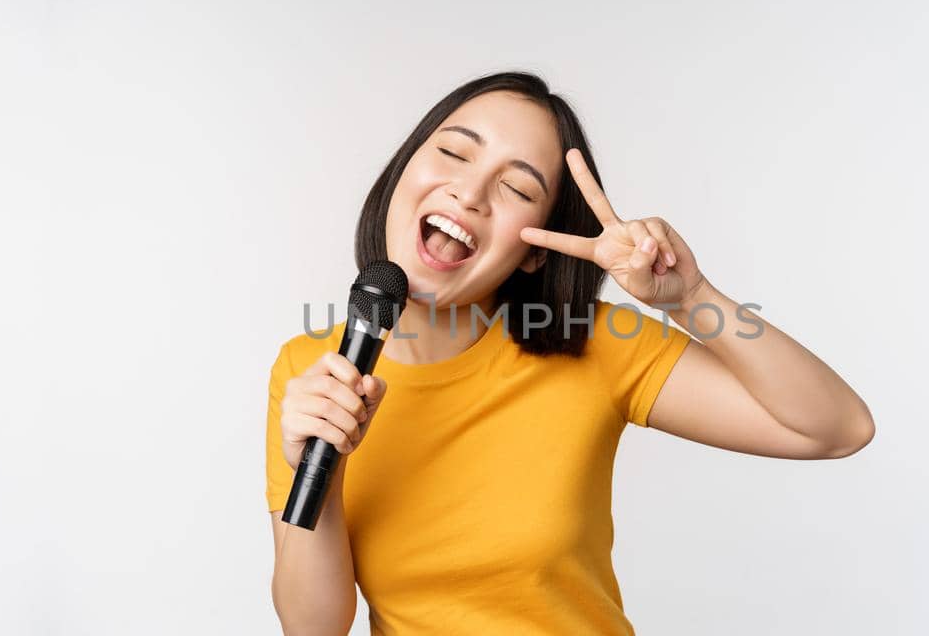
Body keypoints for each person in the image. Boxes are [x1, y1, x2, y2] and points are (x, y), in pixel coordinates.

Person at [266, 71, 874, 635]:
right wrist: (323, 461)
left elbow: (835, 429)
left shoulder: (594, 342)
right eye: (453, 152)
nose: (471, 192)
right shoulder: (310, 371)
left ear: (535, 251)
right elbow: (313, 627)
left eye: (515, 186)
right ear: (404, 173)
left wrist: (691, 297)